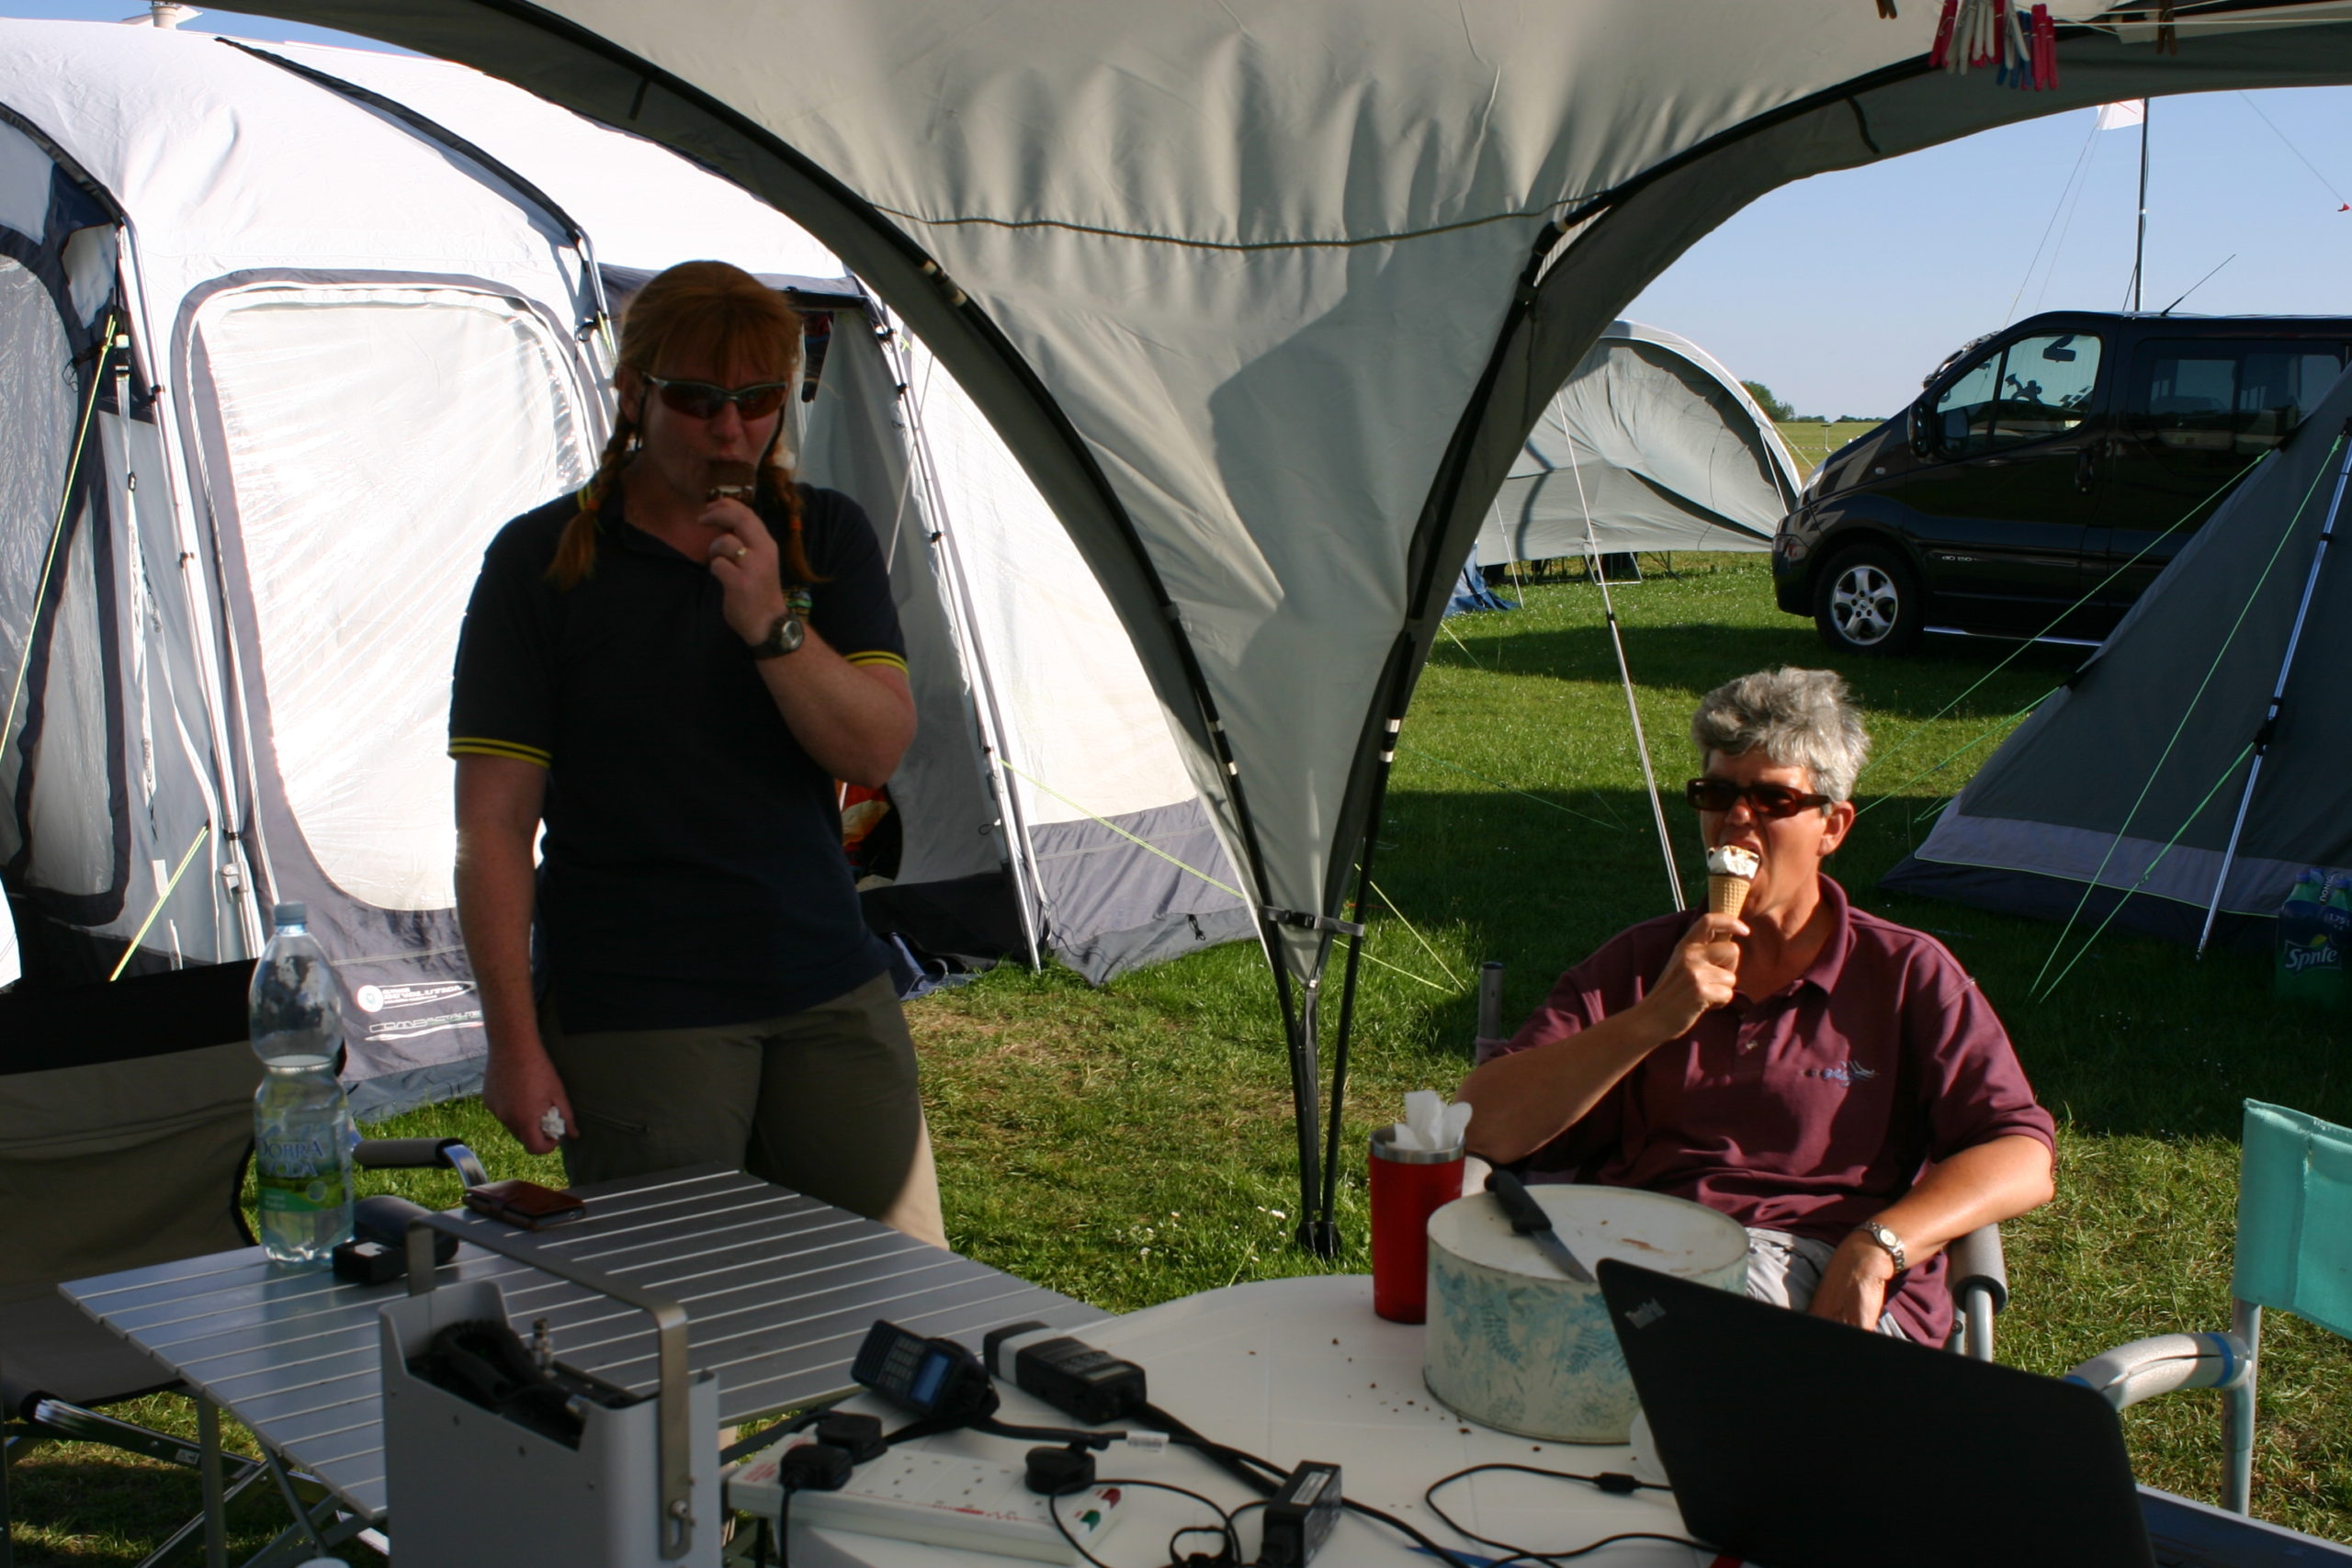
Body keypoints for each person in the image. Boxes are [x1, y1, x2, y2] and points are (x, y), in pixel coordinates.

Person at [447, 259, 943, 1247]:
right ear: (634, 393)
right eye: (698, 400)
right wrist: (513, 1043)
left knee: (902, 1286)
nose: (731, 431)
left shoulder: (822, 535)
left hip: (823, 979)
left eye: (758, 400)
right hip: (641, 1004)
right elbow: (493, 825)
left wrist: (771, 623)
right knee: (679, 1309)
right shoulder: (540, 562)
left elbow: (876, 744)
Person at [1456, 668, 2053, 1344]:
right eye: (1717, 793)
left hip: (1813, 1263)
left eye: (1772, 798)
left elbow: (2020, 1153)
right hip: (1639, 1248)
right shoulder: (1642, 963)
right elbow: (1480, 1128)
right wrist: (1650, 1020)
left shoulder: (1903, 972)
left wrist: (1878, 1245)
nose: (1737, 818)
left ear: (1832, 826)